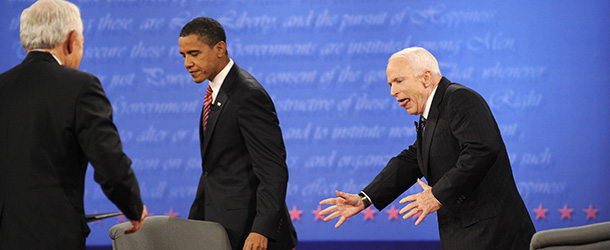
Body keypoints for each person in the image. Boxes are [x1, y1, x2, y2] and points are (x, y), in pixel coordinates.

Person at [319, 47, 535, 249]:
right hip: (465, 233)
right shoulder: (432, 114)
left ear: (426, 78)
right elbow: (412, 160)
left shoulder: (458, 99)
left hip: (493, 234)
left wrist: (438, 194)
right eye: (390, 84)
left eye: (399, 81)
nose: (393, 91)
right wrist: (365, 198)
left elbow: (481, 150)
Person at [0, 0, 147, 249]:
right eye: (82, 42)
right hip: (52, 237)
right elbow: (109, 162)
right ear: (71, 40)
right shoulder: (81, 86)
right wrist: (132, 206)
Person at [178, 17, 298, 250]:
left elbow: (273, 170)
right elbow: (213, 171)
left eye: (194, 53)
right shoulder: (216, 91)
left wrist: (261, 229)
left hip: (249, 234)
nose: (187, 63)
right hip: (221, 228)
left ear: (220, 49)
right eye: (183, 56)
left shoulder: (247, 94)